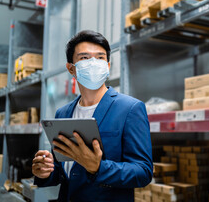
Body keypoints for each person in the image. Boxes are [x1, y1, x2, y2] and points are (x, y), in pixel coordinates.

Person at [32, 30, 153, 201]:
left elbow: (143, 172)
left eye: (100, 57)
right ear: (71, 68)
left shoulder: (130, 109)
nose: (94, 63)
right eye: (84, 58)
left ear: (108, 66)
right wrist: (45, 172)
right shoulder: (63, 113)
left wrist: (98, 167)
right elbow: (65, 171)